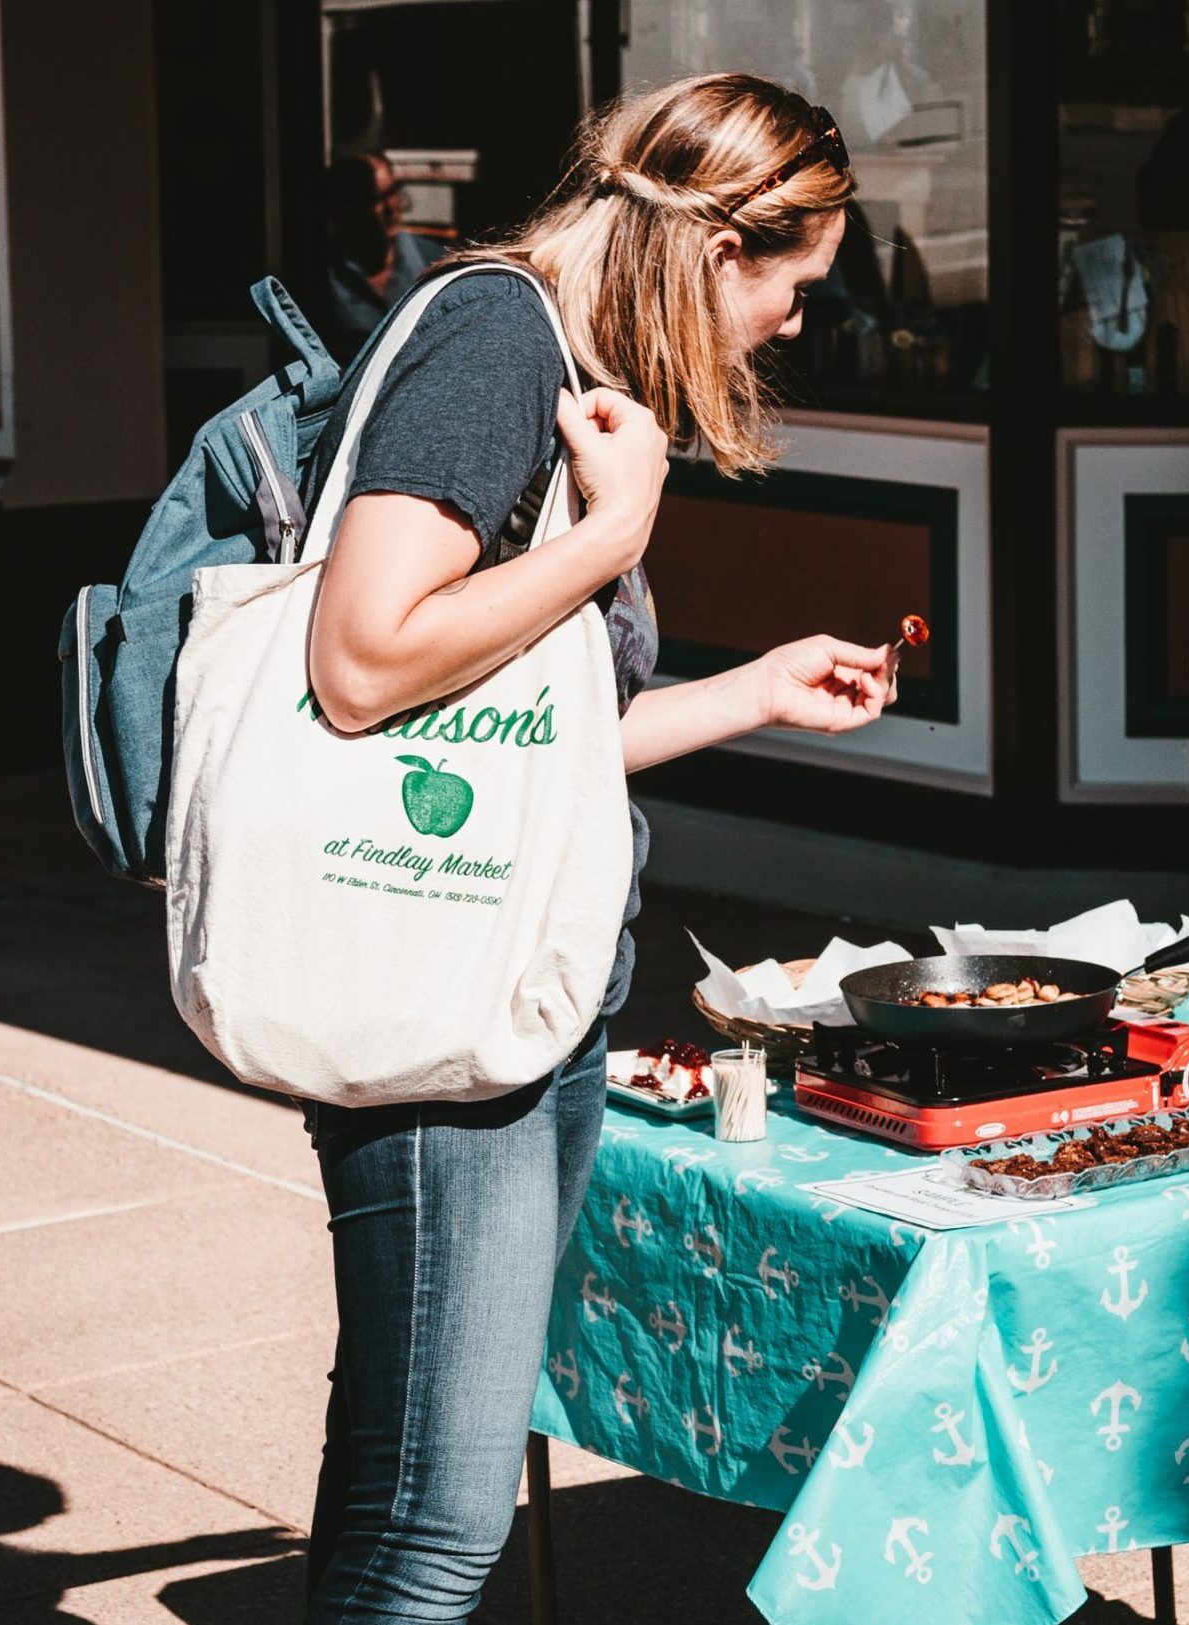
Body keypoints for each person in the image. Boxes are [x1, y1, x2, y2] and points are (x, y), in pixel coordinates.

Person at [297, 76, 887, 1621]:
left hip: (517, 986)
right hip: (446, 1007)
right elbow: (363, 660)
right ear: (718, 252)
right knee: (433, 1525)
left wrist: (754, 689)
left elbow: (514, 757)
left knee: (403, 1471)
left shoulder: (556, 361)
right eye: (796, 286)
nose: (795, 327)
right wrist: (607, 543)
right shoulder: (500, 342)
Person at [321, 151, 448, 362]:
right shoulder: (324, 277)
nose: (391, 207)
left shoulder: (434, 261)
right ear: (348, 208)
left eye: (393, 192)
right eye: (376, 199)